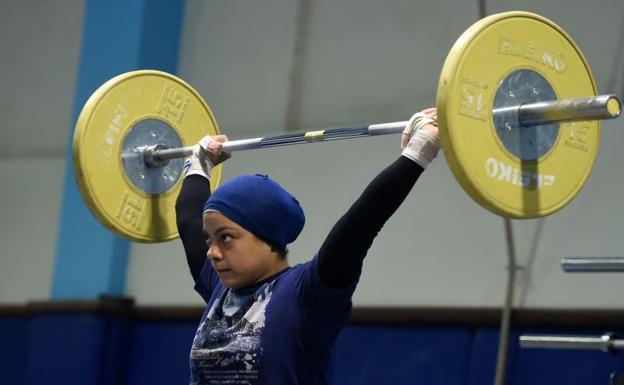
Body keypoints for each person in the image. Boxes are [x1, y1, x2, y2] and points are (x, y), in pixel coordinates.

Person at [175, 108, 439, 385]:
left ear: (266, 236)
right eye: (209, 239)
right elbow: (189, 219)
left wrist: (420, 149)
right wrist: (198, 161)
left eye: (225, 238)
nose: (212, 252)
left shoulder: (307, 293)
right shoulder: (219, 289)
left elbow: (363, 222)